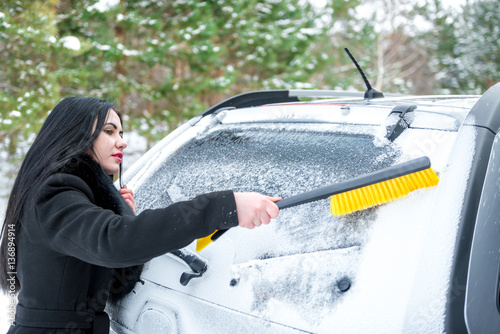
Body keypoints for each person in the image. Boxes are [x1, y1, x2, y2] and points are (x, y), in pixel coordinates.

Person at [0, 96, 280, 333]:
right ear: (74, 134)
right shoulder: (56, 193)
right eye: (109, 131)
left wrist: (119, 215)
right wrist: (223, 206)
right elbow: (117, 243)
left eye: (121, 133)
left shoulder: (60, 191)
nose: (121, 141)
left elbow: (110, 265)